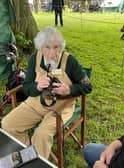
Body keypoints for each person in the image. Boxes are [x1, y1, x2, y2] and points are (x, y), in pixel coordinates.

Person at [2, 26, 92, 159]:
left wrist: (69, 89)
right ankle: (28, 154)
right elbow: (27, 87)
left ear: (61, 46)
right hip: (36, 103)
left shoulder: (70, 61)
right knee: (8, 124)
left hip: (60, 108)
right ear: (40, 47)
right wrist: (37, 86)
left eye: (56, 47)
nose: (51, 53)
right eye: (46, 47)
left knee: (42, 135)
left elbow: (88, 86)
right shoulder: (35, 58)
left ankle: (34, 161)